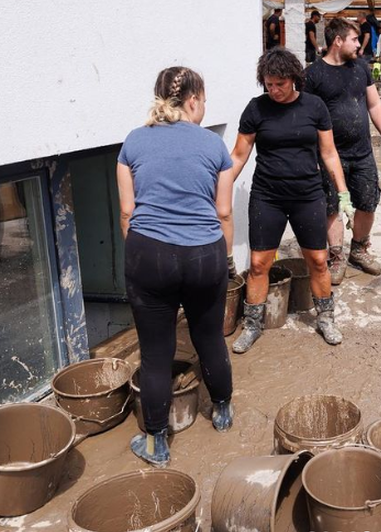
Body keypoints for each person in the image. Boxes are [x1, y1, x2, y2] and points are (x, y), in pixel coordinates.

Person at [117, 67, 235, 466]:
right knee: (209, 338)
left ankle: (155, 443)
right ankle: (221, 411)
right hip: (205, 253)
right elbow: (222, 212)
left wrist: (142, 256)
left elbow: (127, 212)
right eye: (205, 101)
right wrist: (226, 261)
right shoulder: (214, 146)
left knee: (155, 353)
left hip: (149, 252)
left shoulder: (133, 142)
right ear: (193, 101)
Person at [230, 48, 352, 354]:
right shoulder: (256, 109)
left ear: (293, 79)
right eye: (269, 84)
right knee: (259, 264)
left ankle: (325, 317)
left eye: (280, 84)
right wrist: (216, 190)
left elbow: (328, 153)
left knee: (318, 260)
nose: (274, 90)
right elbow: (238, 156)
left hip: (307, 195)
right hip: (267, 195)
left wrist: (343, 193)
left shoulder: (315, 106)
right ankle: (253, 324)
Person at [304, 17, 381, 285]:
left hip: (362, 152)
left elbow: (374, 104)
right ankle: (336, 256)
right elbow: (306, 116)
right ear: (338, 41)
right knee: (332, 205)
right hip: (329, 155)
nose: (360, 44)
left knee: (368, 201)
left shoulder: (361, 68)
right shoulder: (313, 75)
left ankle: (358, 249)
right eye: (355, 39)